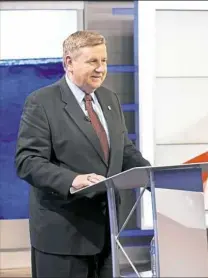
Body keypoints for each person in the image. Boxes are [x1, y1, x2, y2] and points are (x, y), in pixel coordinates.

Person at [15, 30, 151, 278]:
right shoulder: (42, 102)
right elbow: (28, 162)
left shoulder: (110, 99)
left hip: (107, 233)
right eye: (93, 61)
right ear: (69, 62)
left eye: (104, 61)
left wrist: (155, 177)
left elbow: (124, 151)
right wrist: (73, 180)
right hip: (62, 237)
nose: (101, 68)